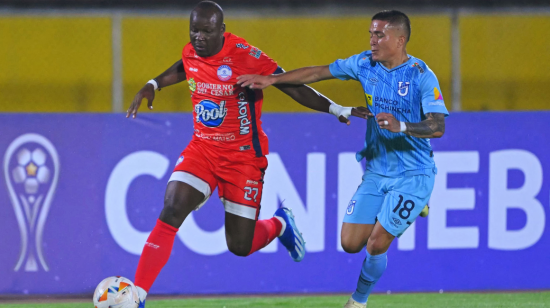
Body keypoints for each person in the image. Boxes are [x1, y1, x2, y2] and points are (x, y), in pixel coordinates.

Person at [125, 1, 369, 306]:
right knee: (172, 208)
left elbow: (290, 85)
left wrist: (335, 108)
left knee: (240, 245)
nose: (198, 37)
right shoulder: (192, 50)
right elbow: (184, 65)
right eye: (194, 30)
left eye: (206, 31)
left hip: (243, 158)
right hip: (203, 148)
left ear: (222, 31)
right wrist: (153, 84)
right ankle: (137, 296)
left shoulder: (245, 56)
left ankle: (280, 224)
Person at [237, 10, 448, 308]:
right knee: (350, 243)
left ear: (400, 40)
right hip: (377, 170)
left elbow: (438, 126)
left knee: (376, 244)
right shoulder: (364, 63)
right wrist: (272, 80)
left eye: (380, 35)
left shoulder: (421, 76)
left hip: (414, 173)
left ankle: (358, 301)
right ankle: (407, 209)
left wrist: (402, 126)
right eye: (371, 34)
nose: (372, 41)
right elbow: (317, 72)